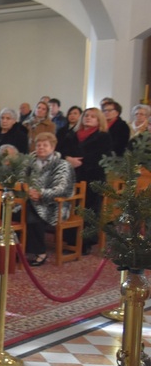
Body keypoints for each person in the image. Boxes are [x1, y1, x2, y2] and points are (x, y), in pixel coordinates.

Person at [58, 107, 113, 255]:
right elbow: (59, 151)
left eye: (93, 116)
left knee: (89, 210)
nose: (88, 118)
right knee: (72, 208)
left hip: (92, 177)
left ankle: (85, 242)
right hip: (72, 176)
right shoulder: (71, 135)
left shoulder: (103, 137)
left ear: (99, 120)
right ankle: (71, 241)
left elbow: (103, 157)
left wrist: (81, 162)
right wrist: (68, 159)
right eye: (86, 115)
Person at [22, 132, 75, 266]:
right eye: (38, 145)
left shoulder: (63, 165)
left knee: (33, 213)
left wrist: (41, 194)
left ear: (53, 147)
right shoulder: (29, 162)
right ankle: (17, 249)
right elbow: (21, 179)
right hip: (29, 199)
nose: (41, 148)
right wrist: (28, 191)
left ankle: (40, 252)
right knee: (12, 211)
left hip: (54, 204)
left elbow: (63, 189)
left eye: (45, 145)